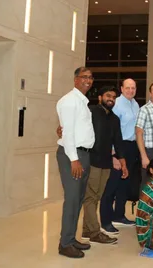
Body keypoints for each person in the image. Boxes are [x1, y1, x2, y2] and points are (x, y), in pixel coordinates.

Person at [55, 67, 96, 258]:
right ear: (75, 80)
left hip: (83, 155)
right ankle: (65, 244)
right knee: (72, 200)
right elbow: (68, 133)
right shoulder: (70, 101)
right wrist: (74, 159)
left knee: (78, 199)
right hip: (73, 156)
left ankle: (71, 239)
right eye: (84, 77)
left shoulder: (82, 102)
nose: (88, 80)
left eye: (90, 77)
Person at [80, 86, 128, 244]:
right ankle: (94, 231)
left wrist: (123, 162)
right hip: (91, 161)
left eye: (114, 97)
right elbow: (76, 125)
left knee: (96, 197)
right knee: (90, 197)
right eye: (108, 96)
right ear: (100, 97)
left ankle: (87, 230)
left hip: (106, 163)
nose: (111, 99)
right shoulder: (91, 112)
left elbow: (118, 142)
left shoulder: (114, 118)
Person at [100, 78, 139, 233]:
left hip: (131, 146)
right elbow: (110, 131)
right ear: (122, 89)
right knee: (112, 184)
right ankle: (106, 220)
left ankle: (119, 215)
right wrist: (113, 155)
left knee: (125, 183)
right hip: (118, 147)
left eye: (133, 88)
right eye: (127, 87)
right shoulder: (116, 104)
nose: (130, 90)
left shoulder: (135, 104)